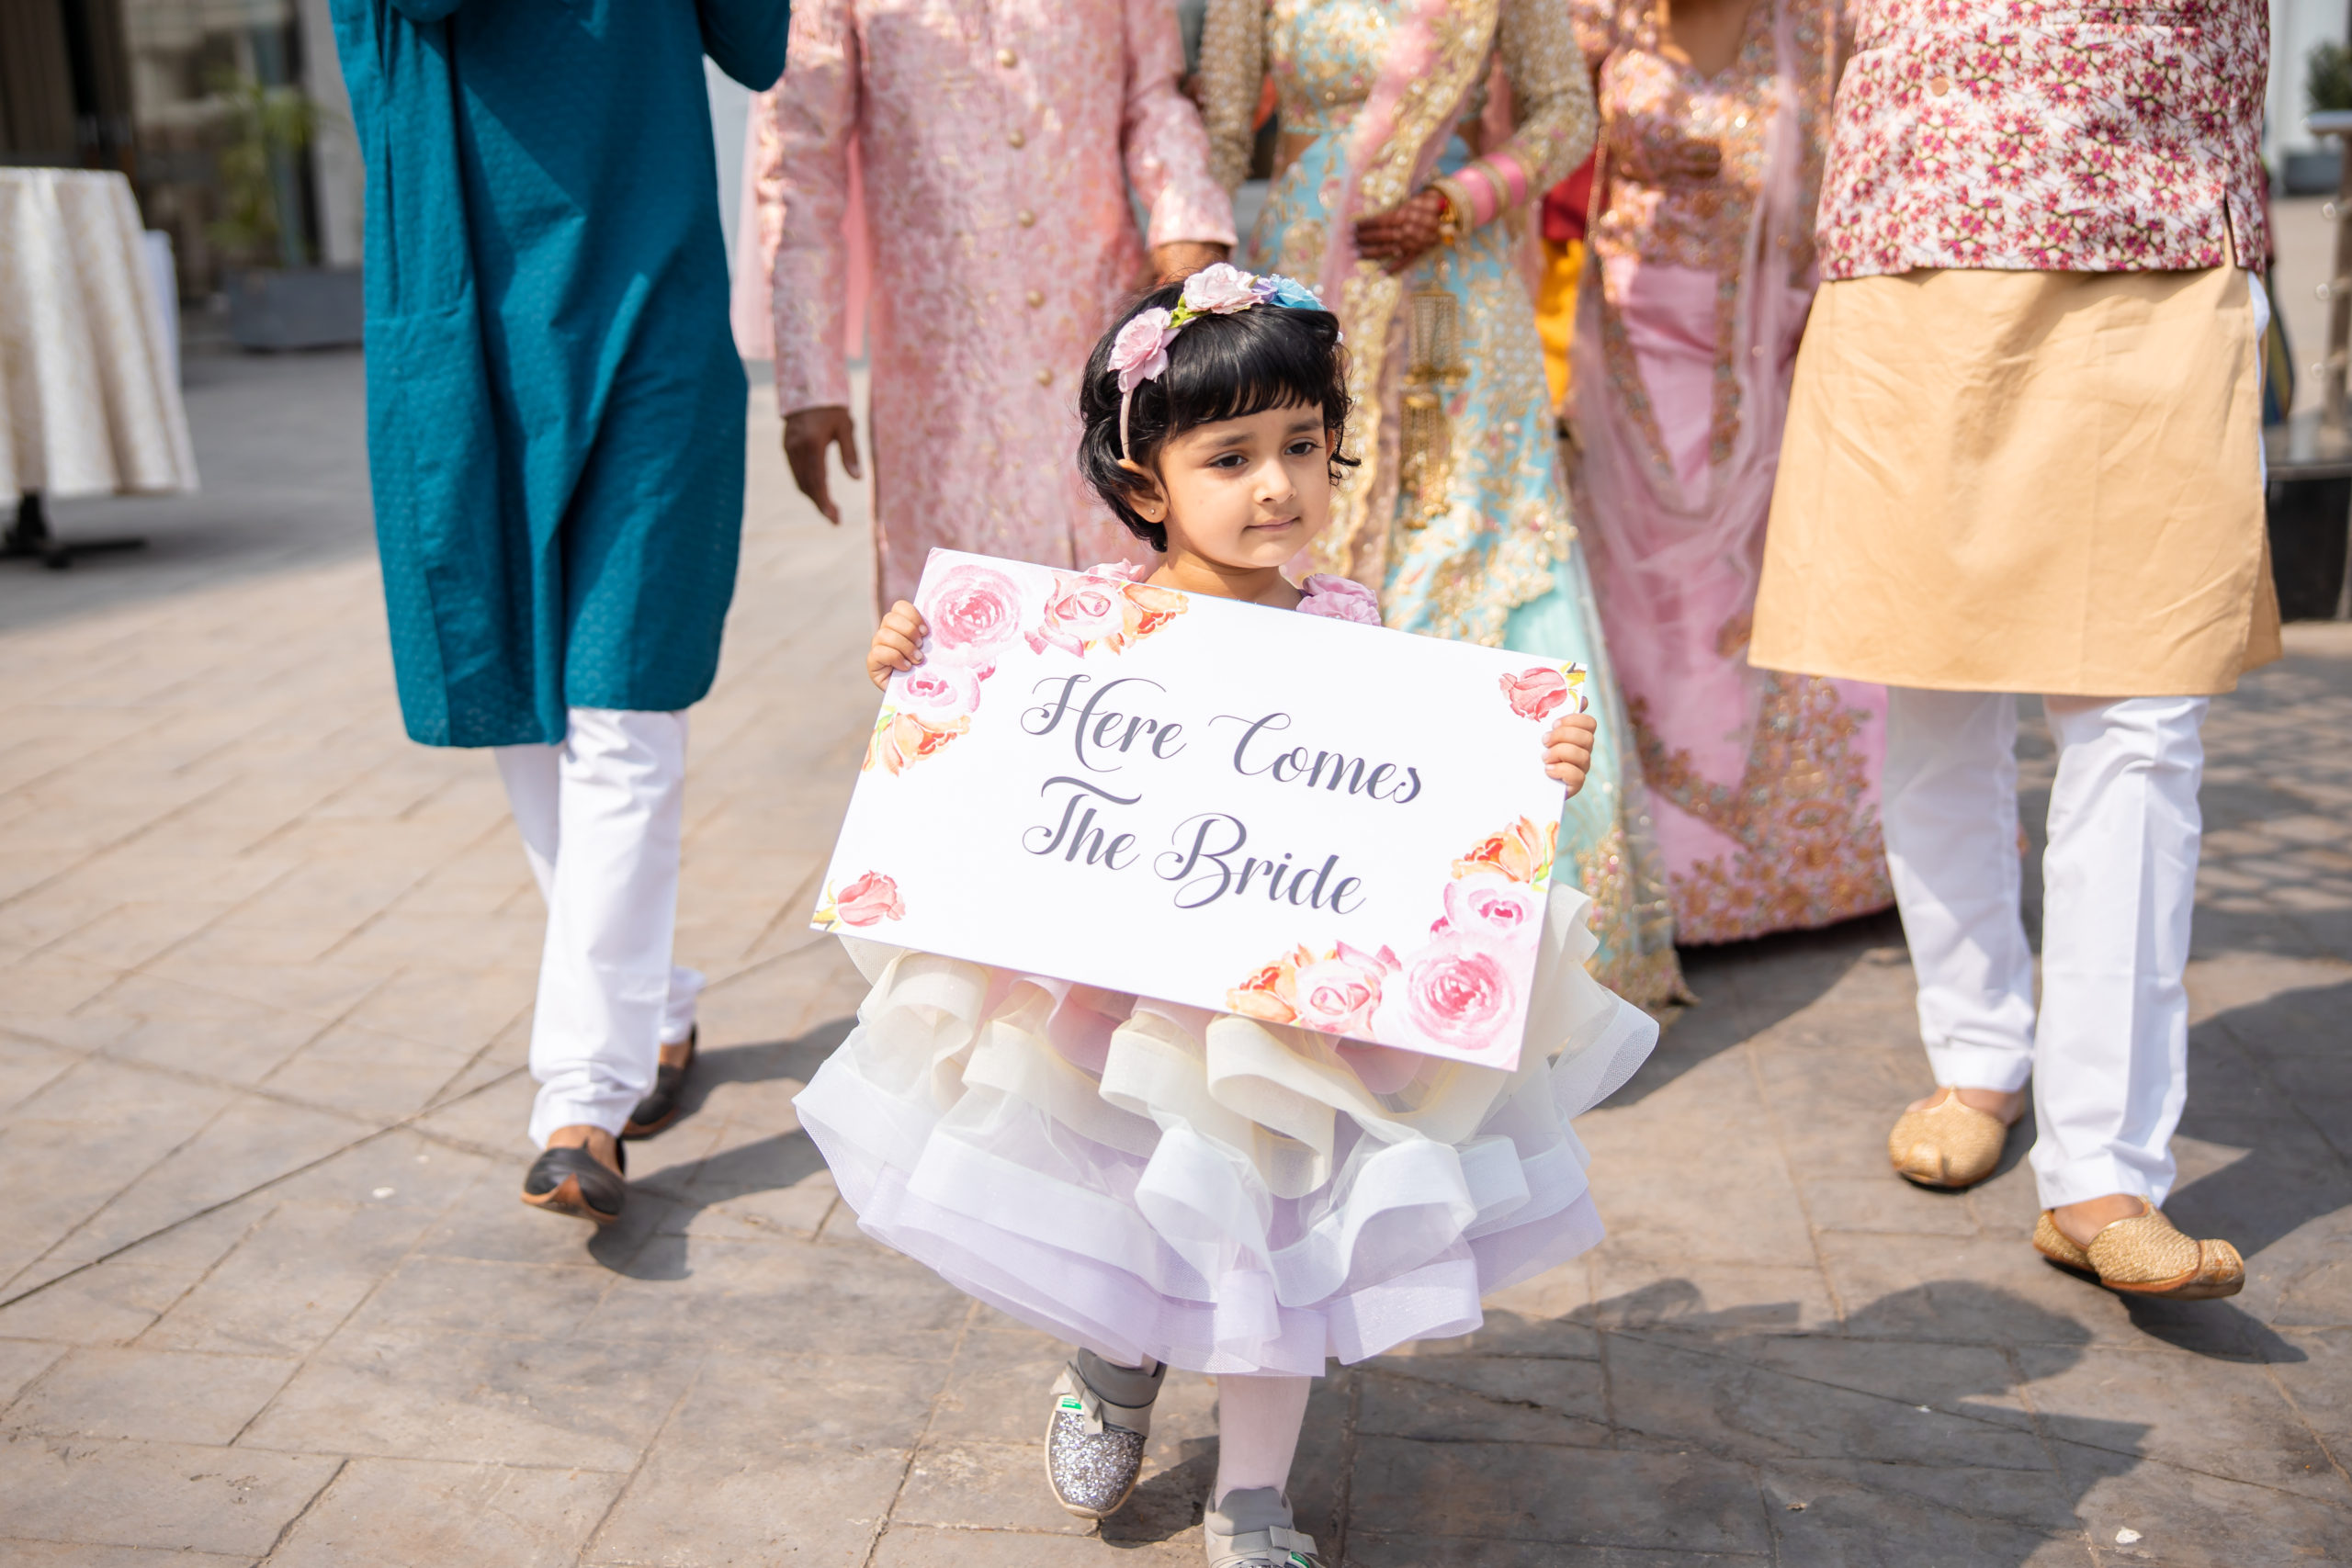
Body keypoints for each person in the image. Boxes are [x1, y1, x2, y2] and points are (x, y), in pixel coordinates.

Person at [796, 268, 1659, 1567]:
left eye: (1302, 445)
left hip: (1295, 1009)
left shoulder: (1354, 624)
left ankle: (1254, 1495)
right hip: (1130, 993)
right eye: (1232, 455)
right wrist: (921, 661)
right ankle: (1115, 1359)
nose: (1278, 486)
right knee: (1136, 1195)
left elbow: (1412, 788)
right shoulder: (1093, 621)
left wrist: (1535, 755)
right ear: (1148, 485)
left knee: (1276, 1241)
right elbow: (1006, 737)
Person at [1750, 0, 2274, 1296]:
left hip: (2163, 234)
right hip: (1917, 235)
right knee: (1933, 693)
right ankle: (1978, 1047)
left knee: (2145, 721)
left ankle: (2104, 1170)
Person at [327, 0, 788, 1224]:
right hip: (469, 321)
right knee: (525, 708)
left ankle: (582, 1098)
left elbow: (756, 43)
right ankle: (654, 1002)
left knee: (624, 703)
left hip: (654, 312)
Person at [1199, 0, 1684, 1006]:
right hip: (1306, 295)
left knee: (1463, 566)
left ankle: (1502, 959)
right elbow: (1215, 120)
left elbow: (1563, 112)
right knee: (1304, 568)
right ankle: (1308, 925)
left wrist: (1461, 198)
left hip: (1450, 307)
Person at [1564, 0, 1891, 944]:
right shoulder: (1603, 22)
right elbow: (1538, 131)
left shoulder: (1815, 25)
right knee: (1662, 599)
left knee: (1786, 587)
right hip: (1635, 351)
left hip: (1782, 355)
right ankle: (1672, 872)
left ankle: (1830, 862)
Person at [757, 1, 1238, 610]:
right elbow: (801, 165)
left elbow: (1155, 97)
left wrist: (1187, 225)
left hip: (1104, 340)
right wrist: (810, 382)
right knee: (968, 632)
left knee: (1146, 609)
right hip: (944, 378)